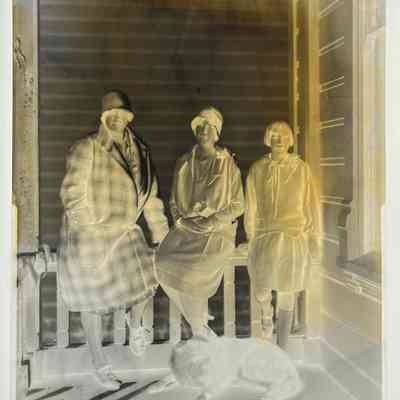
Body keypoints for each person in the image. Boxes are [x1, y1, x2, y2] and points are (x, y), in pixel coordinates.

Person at [58, 90, 169, 390]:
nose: (118, 119)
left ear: (129, 118)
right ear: (103, 117)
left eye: (123, 114)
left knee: (150, 274)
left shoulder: (141, 151)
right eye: (112, 114)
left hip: (124, 231)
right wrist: (88, 227)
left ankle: (136, 324)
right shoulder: (88, 147)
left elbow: (152, 198)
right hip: (90, 235)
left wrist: (161, 236)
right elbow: (72, 193)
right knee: (91, 302)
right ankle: (100, 363)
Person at [155, 106, 244, 337]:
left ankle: (199, 330)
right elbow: (174, 201)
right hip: (186, 230)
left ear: (217, 133)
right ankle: (199, 327)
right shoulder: (184, 162)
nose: (204, 130)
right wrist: (180, 220)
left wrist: (212, 221)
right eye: (200, 126)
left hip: (216, 231)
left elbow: (238, 205)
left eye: (209, 126)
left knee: (192, 274)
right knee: (160, 262)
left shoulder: (227, 163)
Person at [244, 121, 321, 349]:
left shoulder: (301, 169)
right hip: (264, 235)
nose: (279, 139)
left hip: (292, 235)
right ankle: (266, 313)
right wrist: (251, 235)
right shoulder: (257, 169)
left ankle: (282, 347)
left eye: (284, 135)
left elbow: (311, 204)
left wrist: (313, 238)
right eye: (274, 135)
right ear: (268, 139)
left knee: (288, 291)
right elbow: (251, 206)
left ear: (290, 140)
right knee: (261, 287)